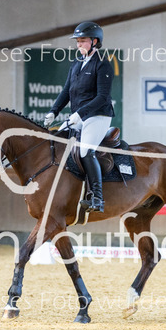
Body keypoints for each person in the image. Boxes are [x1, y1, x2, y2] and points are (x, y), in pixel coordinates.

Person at [44, 21, 114, 213]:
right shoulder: (76, 63)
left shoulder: (103, 64)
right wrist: (54, 111)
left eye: (83, 41)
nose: (79, 44)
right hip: (78, 116)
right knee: (56, 142)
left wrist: (80, 114)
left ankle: (97, 197)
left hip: (98, 116)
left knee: (85, 151)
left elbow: (102, 97)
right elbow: (66, 91)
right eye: (78, 41)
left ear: (95, 41)